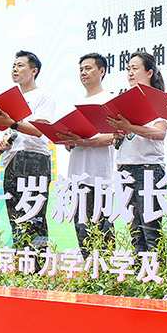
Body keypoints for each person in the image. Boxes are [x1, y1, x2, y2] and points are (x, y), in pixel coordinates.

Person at [0, 51, 56, 249]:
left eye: (20, 65)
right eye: (13, 66)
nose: (15, 69)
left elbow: (40, 130)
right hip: (12, 160)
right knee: (16, 215)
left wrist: (13, 124)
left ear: (34, 71)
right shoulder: (10, 100)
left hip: (34, 160)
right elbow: (13, 129)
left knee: (35, 216)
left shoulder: (43, 97)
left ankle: (39, 266)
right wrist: (6, 139)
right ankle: (22, 262)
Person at [107, 52, 167, 253]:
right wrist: (118, 132)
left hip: (149, 169)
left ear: (149, 72)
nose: (130, 73)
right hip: (125, 168)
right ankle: (139, 278)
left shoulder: (159, 99)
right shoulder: (124, 100)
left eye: (135, 68)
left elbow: (160, 132)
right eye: (128, 69)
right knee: (134, 231)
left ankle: (156, 279)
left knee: (151, 230)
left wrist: (131, 127)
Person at [61, 53, 116, 255]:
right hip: (77, 177)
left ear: (102, 71)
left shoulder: (110, 100)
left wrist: (85, 141)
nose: (83, 73)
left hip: (100, 177)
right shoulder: (74, 103)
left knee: (103, 232)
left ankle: (109, 280)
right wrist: (68, 141)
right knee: (82, 232)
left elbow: (114, 136)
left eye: (89, 68)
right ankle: (92, 278)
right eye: (81, 69)